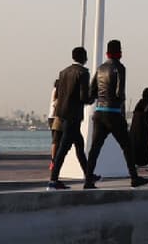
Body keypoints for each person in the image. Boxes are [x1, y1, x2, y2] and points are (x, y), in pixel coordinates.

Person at [85, 40, 148, 187]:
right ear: (119, 52)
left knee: (95, 148)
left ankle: (88, 179)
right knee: (127, 146)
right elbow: (119, 92)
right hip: (113, 113)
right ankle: (134, 178)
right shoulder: (120, 68)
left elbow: (91, 93)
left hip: (99, 113)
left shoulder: (100, 68)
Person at [47, 47, 94, 190]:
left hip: (62, 114)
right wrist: (93, 98)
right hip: (73, 115)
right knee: (64, 148)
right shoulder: (83, 73)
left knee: (79, 146)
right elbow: (84, 97)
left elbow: (60, 94)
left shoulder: (63, 72)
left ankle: (89, 177)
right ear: (84, 58)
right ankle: (53, 179)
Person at [130, 87, 148, 167]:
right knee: (144, 143)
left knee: (136, 143)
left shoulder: (140, 102)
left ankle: (135, 160)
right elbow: (145, 112)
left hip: (135, 127)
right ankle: (143, 161)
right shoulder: (147, 103)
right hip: (143, 126)